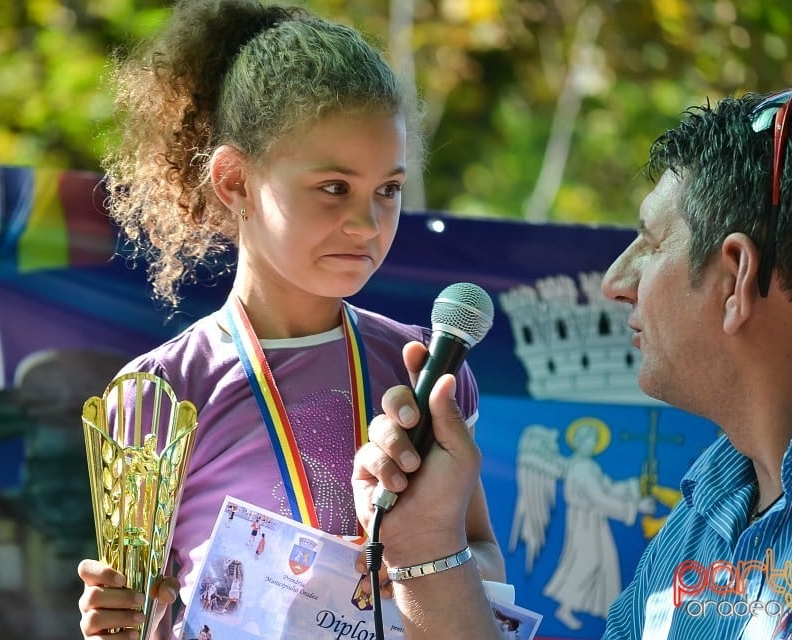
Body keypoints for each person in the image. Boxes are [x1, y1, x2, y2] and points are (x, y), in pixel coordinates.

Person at [76, 1, 505, 638]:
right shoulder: (159, 393)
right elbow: (141, 604)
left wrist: (424, 567)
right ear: (235, 181)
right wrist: (114, 622)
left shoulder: (425, 371)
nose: (366, 224)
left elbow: (486, 559)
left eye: (387, 189)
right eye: (334, 186)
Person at [352, 88, 792, 638]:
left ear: (736, 279)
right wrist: (426, 544)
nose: (615, 282)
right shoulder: (704, 514)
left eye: (651, 245)